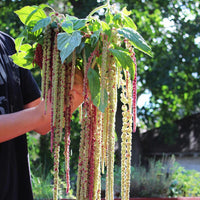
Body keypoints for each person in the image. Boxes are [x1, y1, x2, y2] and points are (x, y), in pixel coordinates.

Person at [0, 31, 84, 200]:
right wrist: (42, 113)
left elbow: (42, 124)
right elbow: (40, 115)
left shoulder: (8, 44)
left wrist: (76, 93)